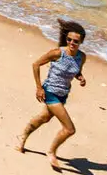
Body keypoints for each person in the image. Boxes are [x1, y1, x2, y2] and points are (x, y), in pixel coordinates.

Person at [18, 20, 88, 170]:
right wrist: (39, 88)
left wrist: (80, 78)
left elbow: (76, 71)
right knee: (69, 129)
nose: (71, 43)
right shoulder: (57, 53)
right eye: (69, 40)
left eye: (75, 41)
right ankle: (51, 152)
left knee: (44, 118)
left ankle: (22, 137)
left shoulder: (81, 57)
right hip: (50, 92)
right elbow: (35, 64)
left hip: (63, 95)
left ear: (81, 41)